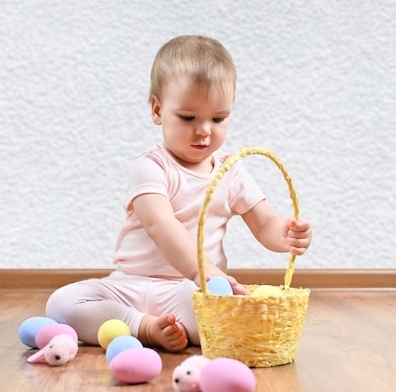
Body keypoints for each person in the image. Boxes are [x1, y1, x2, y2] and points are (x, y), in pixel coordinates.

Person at [45, 35, 312, 352]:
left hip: (187, 290)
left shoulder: (231, 172)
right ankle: (143, 326)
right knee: (61, 303)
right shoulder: (150, 166)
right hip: (129, 284)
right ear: (158, 110)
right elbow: (161, 224)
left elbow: (264, 222)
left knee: (222, 319)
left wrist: (284, 233)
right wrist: (206, 271)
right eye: (188, 117)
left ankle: (162, 325)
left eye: (218, 118)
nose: (204, 130)